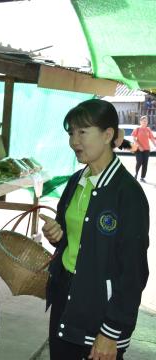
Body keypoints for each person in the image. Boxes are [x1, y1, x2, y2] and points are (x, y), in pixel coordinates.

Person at [39, 99, 149, 360]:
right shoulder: (76, 181)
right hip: (66, 301)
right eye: (70, 133)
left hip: (100, 313)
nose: (74, 141)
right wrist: (58, 236)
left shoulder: (128, 194)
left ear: (108, 135)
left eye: (82, 132)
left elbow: (134, 271)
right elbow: (75, 238)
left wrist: (111, 332)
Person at [132, 115, 156, 182]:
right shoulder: (137, 129)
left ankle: (142, 177)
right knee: (139, 161)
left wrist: (155, 145)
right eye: (143, 121)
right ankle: (136, 174)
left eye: (146, 121)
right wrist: (139, 146)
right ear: (140, 121)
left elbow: (151, 138)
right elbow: (134, 138)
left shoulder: (148, 129)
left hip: (146, 149)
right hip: (138, 149)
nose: (145, 122)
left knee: (145, 163)